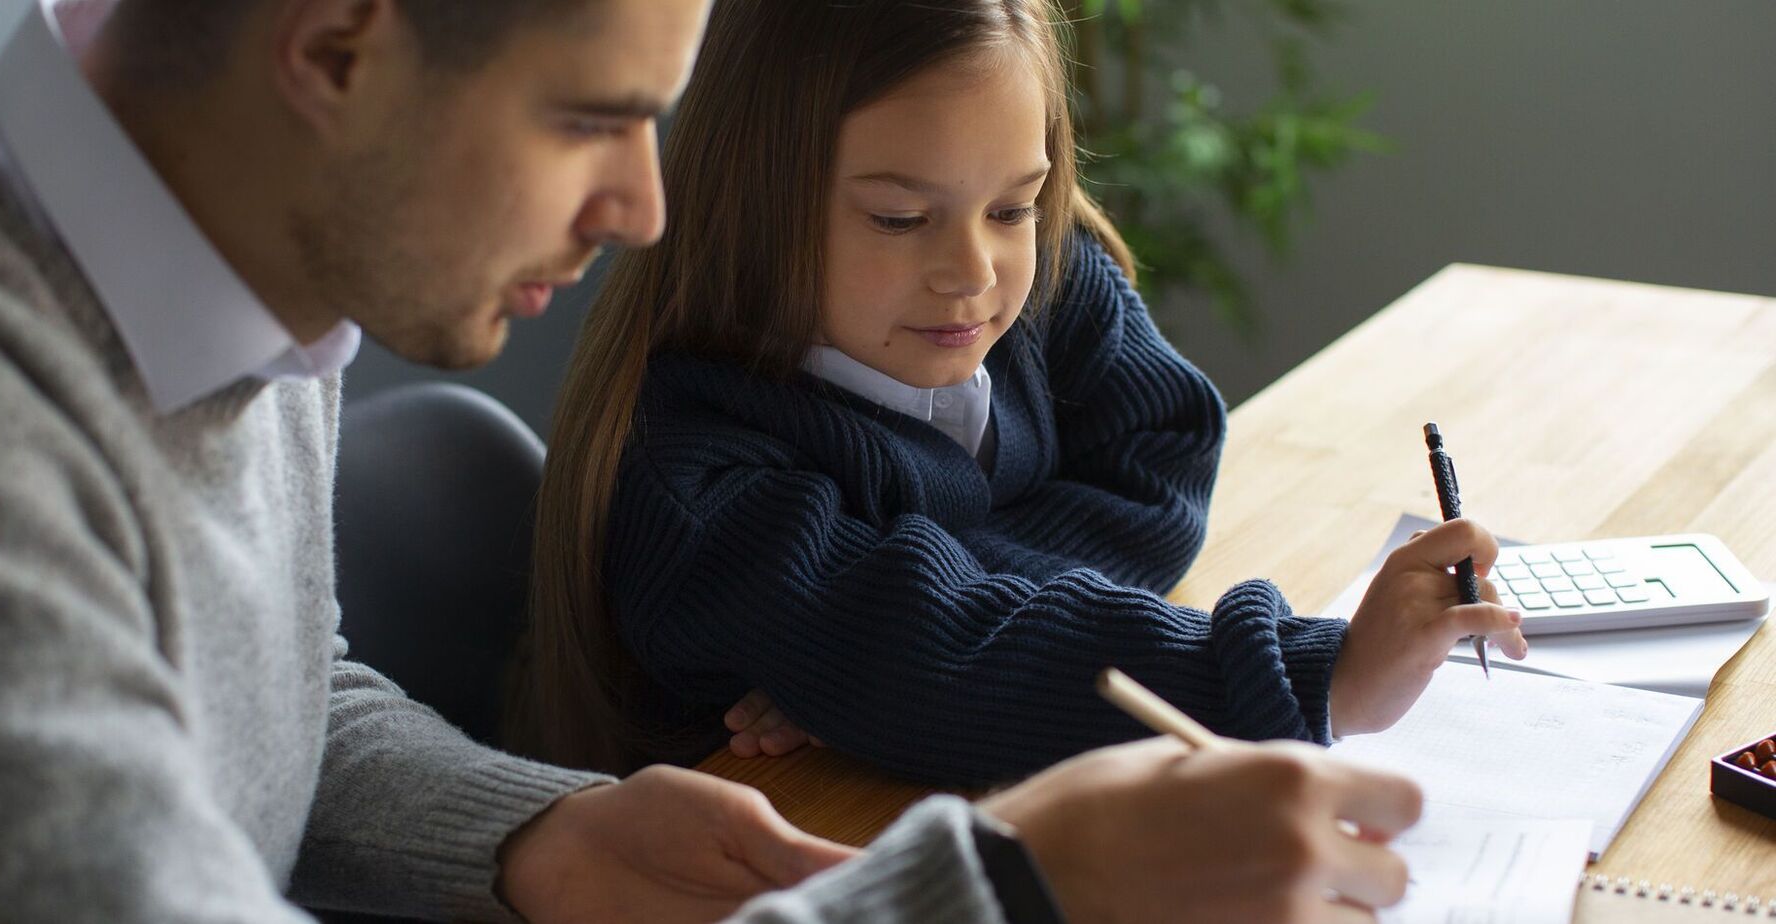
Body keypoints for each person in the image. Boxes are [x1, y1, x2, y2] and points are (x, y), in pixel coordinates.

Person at [0, 0, 1423, 921]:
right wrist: (1004, 889)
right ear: (335, 49)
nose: (646, 213)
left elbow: (277, 705)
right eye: (593, 119)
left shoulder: (237, 262)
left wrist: (534, 833)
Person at [514, 0, 1530, 786]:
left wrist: (888, 635)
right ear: (752, 205)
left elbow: (1159, 467)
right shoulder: (694, 475)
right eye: (901, 218)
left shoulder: (1043, 277)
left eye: (1013, 204)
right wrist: (1323, 675)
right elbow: (952, 661)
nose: (975, 271)